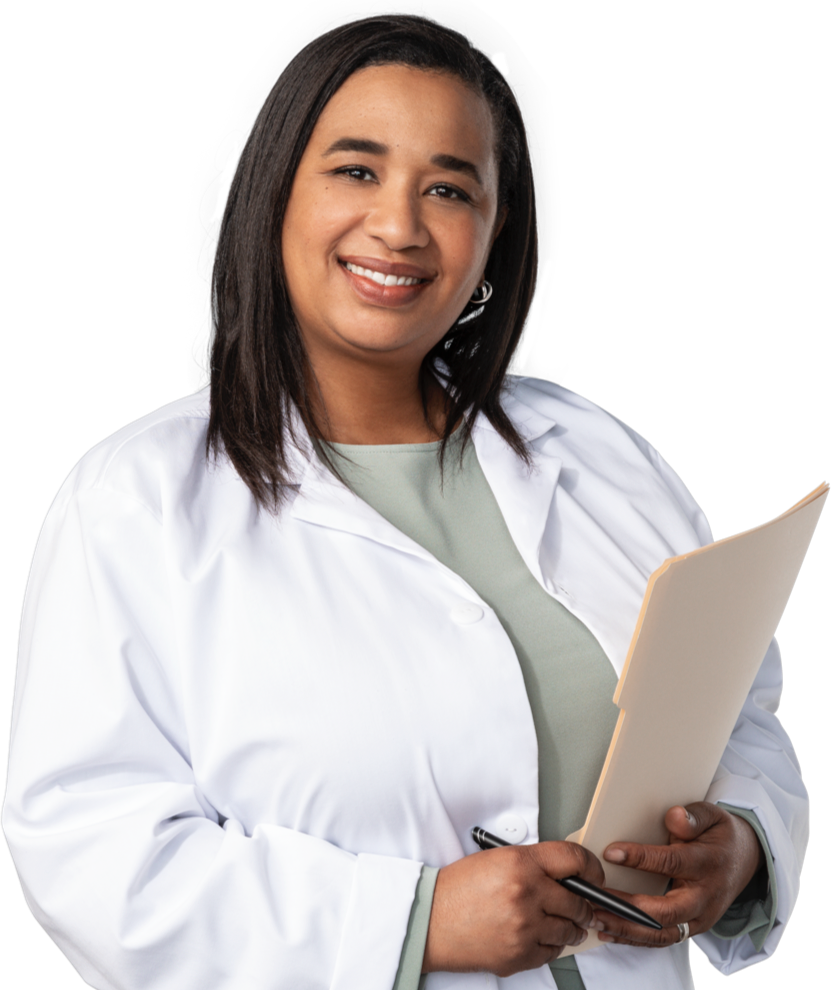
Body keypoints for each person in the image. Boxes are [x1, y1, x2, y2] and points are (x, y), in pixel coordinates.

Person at [1, 13, 806, 990]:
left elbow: (739, 708)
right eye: (355, 170)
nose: (399, 225)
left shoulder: (602, 457)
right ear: (275, 197)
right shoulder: (132, 502)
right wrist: (417, 921)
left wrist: (744, 838)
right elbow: (94, 855)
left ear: (494, 231)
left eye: (449, 188)